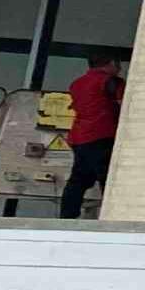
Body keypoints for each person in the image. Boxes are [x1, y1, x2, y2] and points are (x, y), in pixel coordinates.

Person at [56, 57, 127, 219]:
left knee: (79, 179)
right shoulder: (111, 82)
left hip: (79, 137)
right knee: (109, 179)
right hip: (102, 135)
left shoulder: (77, 83)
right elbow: (126, 104)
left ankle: (67, 217)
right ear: (111, 64)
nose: (120, 69)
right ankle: (112, 217)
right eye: (118, 65)